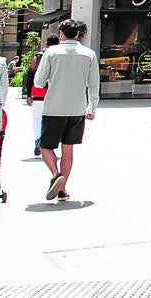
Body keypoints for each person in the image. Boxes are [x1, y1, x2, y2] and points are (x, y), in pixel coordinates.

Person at [35, 20, 100, 202]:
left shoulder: (51, 53)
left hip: (54, 107)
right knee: (68, 149)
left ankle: (56, 175)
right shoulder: (88, 54)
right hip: (77, 108)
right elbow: (94, 84)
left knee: (45, 146)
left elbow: (39, 81)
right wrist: (92, 106)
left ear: (61, 34)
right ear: (77, 34)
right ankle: (63, 190)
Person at [26, 36, 60, 156]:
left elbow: (30, 73)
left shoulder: (39, 55)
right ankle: (49, 143)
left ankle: (38, 140)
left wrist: (28, 93)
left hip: (38, 91)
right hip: (55, 92)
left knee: (37, 118)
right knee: (54, 119)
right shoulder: (60, 55)